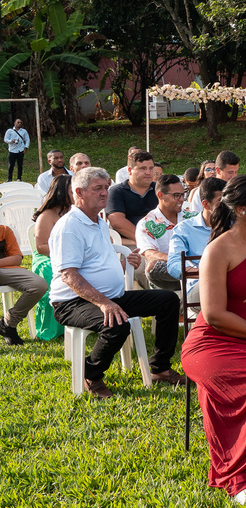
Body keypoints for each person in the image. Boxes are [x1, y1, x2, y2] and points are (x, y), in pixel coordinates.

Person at [181, 175, 246, 505]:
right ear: (241, 209)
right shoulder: (217, 250)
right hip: (213, 343)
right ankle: (241, 473)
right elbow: (213, 315)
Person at [50, 167, 183, 399]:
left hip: (111, 296)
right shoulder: (69, 227)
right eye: (97, 189)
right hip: (73, 302)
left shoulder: (99, 221)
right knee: (117, 323)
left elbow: (96, 264)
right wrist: (104, 304)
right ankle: (91, 374)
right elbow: (69, 275)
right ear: (79, 192)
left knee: (168, 300)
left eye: (106, 187)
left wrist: (124, 263)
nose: (105, 193)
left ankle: (160, 368)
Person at [168, 177, 226, 303]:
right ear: (206, 204)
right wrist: (205, 273)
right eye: (221, 201)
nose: (227, 206)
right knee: (214, 286)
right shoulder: (184, 229)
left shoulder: (233, 226)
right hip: (200, 286)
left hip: (231, 283)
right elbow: (173, 264)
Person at [31, 175, 71, 341]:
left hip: (72, 257)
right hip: (48, 259)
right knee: (55, 275)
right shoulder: (47, 215)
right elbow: (41, 247)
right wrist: (67, 255)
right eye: (73, 190)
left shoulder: (78, 213)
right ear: (62, 192)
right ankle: (51, 330)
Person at [0, 211, 48, 345]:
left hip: (6, 269)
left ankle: (8, 323)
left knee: (39, 285)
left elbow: (16, 259)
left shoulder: (4, 230)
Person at [133, 174, 186, 291]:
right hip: (170, 277)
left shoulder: (192, 217)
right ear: (160, 195)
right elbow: (149, 254)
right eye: (177, 196)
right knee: (152, 267)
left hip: (197, 268)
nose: (182, 199)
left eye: (183, 195)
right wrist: (179, 261)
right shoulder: (146, 223)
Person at [105, 150, 157, 246]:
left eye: (151, 168)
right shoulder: (116, 192)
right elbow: (117, 221)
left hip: (161, 241)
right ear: (129, 170)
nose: (148, 172)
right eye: (143, 168)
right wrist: (146, 240)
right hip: (131, 245)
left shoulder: (160, 189)